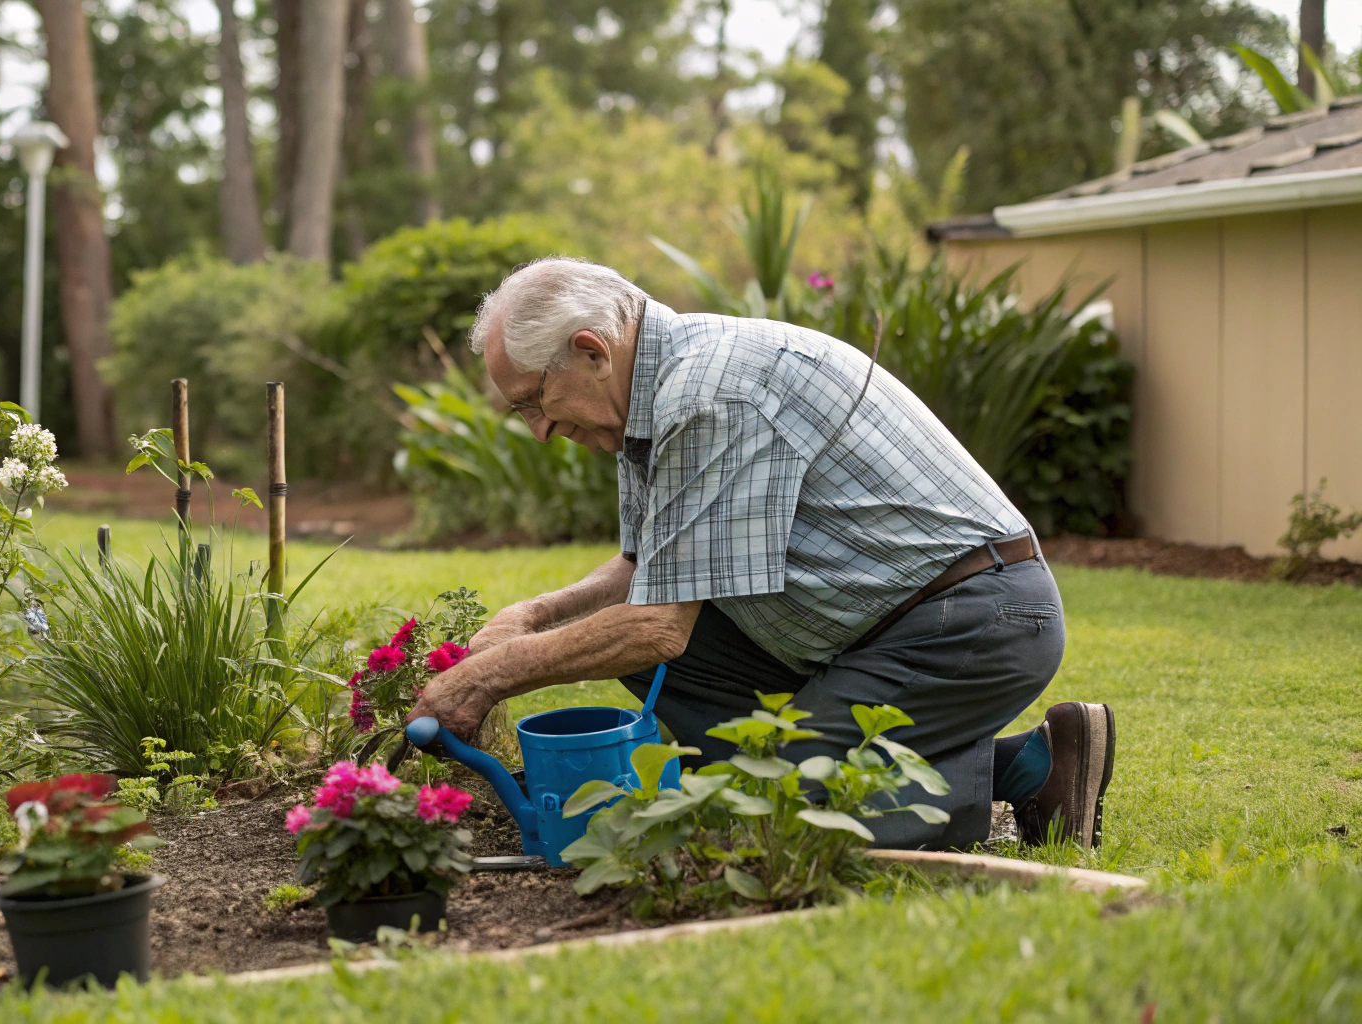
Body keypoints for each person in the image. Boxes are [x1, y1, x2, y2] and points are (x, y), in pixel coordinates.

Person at [406, 258, 1114, 849]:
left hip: (971, 618)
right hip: (871, 630)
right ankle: (1019, 764)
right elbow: (646, 569)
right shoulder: (643, 401)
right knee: (682, 698)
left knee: (776, 814)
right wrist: (533, 615)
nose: (537, 430)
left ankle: (995, 783)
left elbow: (658, 621)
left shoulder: (712, 392)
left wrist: (493, 676)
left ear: (594, 351)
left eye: (534, 401)